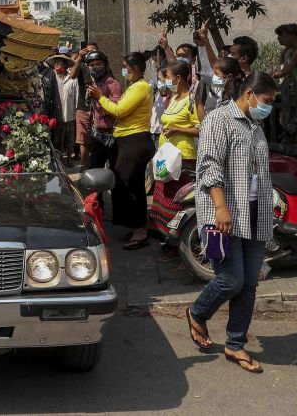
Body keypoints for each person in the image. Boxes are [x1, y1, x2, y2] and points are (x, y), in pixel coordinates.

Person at [187, 72, 278, 374]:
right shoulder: (218, 119)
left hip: (254, 212)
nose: (268, 107)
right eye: (266, 101)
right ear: (250, 93)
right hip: (221, 213)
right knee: (230, 280)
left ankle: (235, 344)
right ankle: (198, 312)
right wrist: (221, 206)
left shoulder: (255, 124)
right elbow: (208, 164)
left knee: (249, 284)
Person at [88, 53, 154, 250]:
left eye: (125, 66)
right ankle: (135, 226)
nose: (123, 70)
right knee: (127, 184)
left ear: (134, 69)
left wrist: (100, 97)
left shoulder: (141, 86)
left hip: (136, 140)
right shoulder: (134, 87)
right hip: (127, 140)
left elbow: (119, 111)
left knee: (131, 186)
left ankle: (140, 231)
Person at [150, 61, 201, 243]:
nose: (166, 82)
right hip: (166, 155)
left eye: (169, 78)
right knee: (162, 196)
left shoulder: (191, 100)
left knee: (176, 200)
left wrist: (178, 130)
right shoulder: (173, 97)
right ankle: (166, 238)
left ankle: (179, 242)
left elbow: (200, 128)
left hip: (183, 158)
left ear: (178, 79)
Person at [85, 51, 122, 173]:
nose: (95, 68)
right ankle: (97, 193)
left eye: (98, 64)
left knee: (115, 170)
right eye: (92, 65)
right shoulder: (95, 84)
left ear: (105, 65)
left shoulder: (113, 85)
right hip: (97, 135)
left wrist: (99, 97)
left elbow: (116, 111)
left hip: (112, 135)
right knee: (95, 171)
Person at [272, 23, 297, 132]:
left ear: (293, 36)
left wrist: (269, 76)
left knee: (295, 124)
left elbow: (283, 72)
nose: (278, 38)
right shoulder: (285, 52)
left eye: (282, 35)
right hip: (288, 92)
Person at [49, 54, 78, 159]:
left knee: (70, 138)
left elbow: (77, 97)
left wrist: (76, 111)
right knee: (57, 139)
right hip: (56, 113)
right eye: (55, 62)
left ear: (65, 64)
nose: (56, 64)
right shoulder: (52, 76)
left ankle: (69, 158)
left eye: (59, 62)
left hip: (70, 113)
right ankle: (58, 159)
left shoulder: (72, 78)